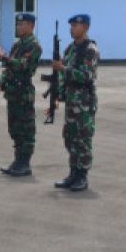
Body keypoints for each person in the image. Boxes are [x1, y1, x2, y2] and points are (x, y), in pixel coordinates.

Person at [53, 14, 100, 191]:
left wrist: (63, 69)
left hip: (84, 103)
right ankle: (73, 172)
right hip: (71, 102)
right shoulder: (69, 49)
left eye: (76, 25)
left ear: (85, 27)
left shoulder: (90, 49)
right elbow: (62, 77)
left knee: (83, 140)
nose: (72, 28)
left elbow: (87, 75)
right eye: (71, 25)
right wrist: (57, 96)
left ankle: (82, 176)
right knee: (70, 138)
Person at [0, 12, 43, 177]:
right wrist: (1, 83)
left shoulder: (34, 46)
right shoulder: (17, 45)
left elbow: (23, 65)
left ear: (31, 26)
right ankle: (17, 160)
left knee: (26, 128)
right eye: (17, 24)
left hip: (23, 92)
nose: (18, 27)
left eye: (22, 24)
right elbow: (9, 67)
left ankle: (25, 163)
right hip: (12, 92)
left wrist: (3, 57)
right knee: (15, 127)